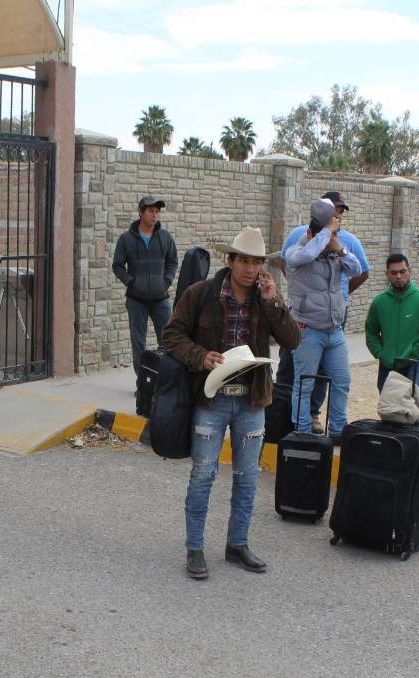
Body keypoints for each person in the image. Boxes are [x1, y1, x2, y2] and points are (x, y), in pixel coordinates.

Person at [163, 227, 301, 580]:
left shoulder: (265, 297)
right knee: (203, 476)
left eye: (256, 262)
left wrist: (273, 301)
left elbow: (292, 340)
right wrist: (200, 356)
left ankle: (237, 544)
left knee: (247, 478)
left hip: (252, 402)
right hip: (212, 400)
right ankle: (195, 548)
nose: (250, 269)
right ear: (231, 260)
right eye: (244, 260)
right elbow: (172, 335)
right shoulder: (202, 294)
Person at [277, 190, 370, 433]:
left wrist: (340, 248)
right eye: (326, 235)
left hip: (334, 330)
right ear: (311, 234)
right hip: (307, 330)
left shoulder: (334, 252)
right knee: (304, 383)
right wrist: (326, 231)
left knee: (341, 381)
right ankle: (303, 431)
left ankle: (338, 431)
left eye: (334, 235)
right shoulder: (297, 251)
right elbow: (307, 253)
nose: (329, 239)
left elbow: (357, 269)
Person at [112, 195, 178, 379]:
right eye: (151, 211)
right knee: (138, 343)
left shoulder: (165, 237)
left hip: (161, 299)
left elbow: (172, 261)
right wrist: (132, 282)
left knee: (167, 340)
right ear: (141, 213)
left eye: (157, 212)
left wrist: (166, 281)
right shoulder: (126, 239)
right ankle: (143, 383)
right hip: (136, 300)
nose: (155, 215)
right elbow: (117, 266)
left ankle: (163, 381)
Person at [365, 254, 419, 393]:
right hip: (388, 363)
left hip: (417, 362)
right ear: (387, 274)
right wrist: (381, 353)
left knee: (413, 404)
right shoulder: (379, 303)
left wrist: (416, 350)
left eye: (402, 271)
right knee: (389, 407)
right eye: (393, 272)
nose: (398, 276)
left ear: (409, 271)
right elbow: (371, 333)